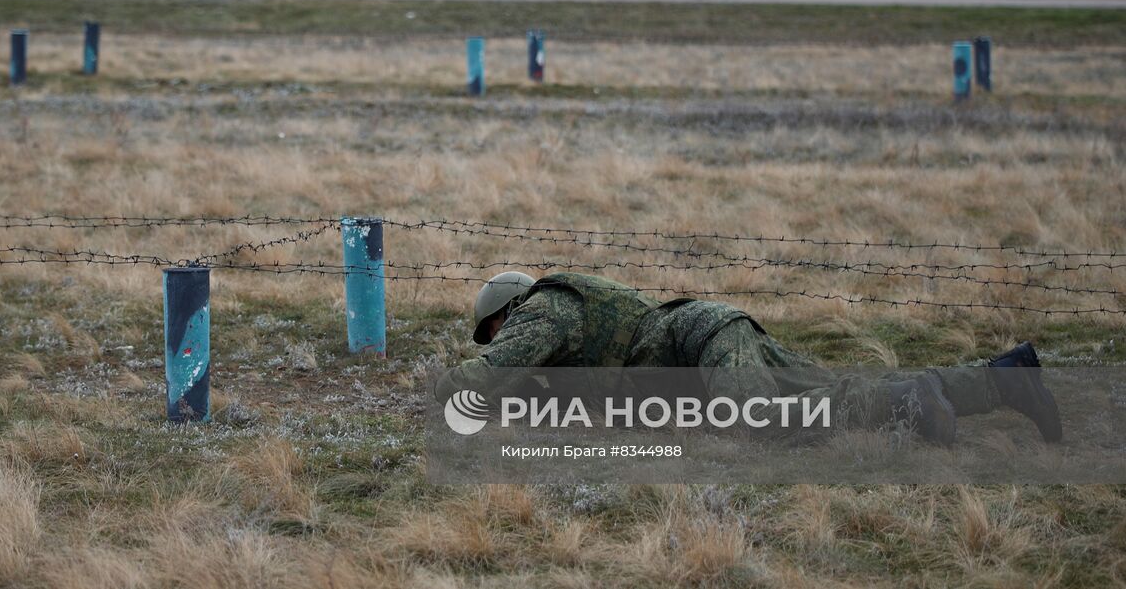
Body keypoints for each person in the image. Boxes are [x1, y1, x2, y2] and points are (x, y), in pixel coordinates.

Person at [435, 271, 1062, 446]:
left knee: (757, 419)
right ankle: (1006, 381)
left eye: (495, 330)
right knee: (835, 390)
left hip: (703, 342)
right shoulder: (564, 337)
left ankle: (910, 402)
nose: (502, 342)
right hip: (717, 339)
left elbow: (486, 379)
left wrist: (435, 386)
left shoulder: (543, 309)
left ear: (510, 310)